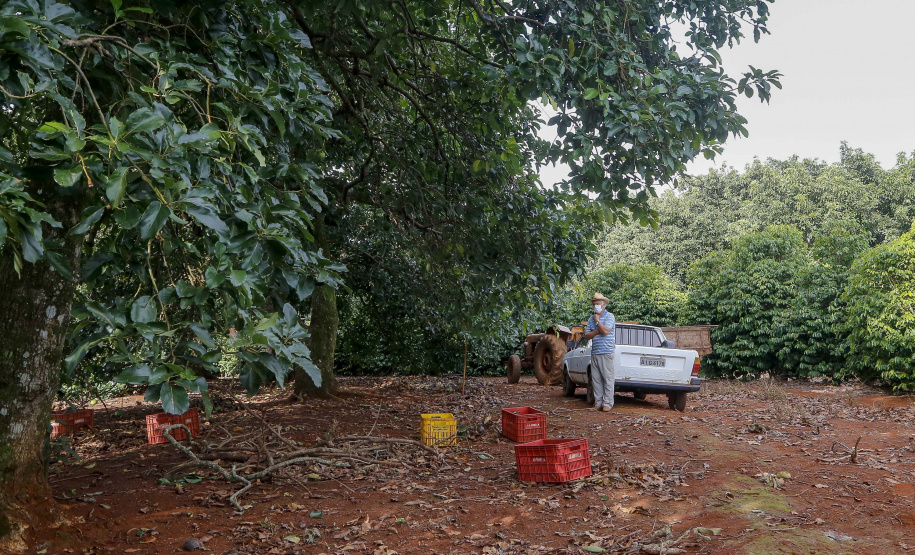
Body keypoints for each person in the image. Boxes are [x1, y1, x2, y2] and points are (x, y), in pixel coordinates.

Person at [584, 292, 616, 412]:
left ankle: (607, 403)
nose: (595, 306)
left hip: (606, 351)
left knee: (608, 378)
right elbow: (587, 335)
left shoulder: (610, 316)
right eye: (594, 304)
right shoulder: (590, 319)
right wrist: (597, 331)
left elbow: (606, 331)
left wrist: (597, 322)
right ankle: (598, 403)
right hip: (595, 352)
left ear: (603, 305)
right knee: (596, 379)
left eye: (597, 304)